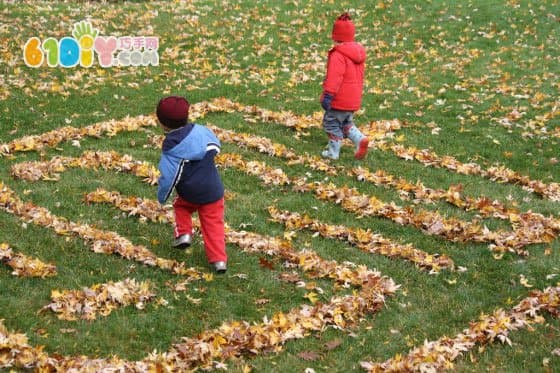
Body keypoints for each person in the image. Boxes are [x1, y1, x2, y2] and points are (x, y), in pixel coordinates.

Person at [156, 96, 227, 273]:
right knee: (213, 225)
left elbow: (168, 175)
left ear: (162, 124)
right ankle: (219, 261)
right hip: (213, 191)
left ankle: (184, 234)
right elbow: (215, 145)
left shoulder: (171, 147)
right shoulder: (202, 131)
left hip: (189, 193)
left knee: (181, 207)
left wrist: (162, 196)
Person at [320, 12, 369, 160]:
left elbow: (334, 78)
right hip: (352, 100)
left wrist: (328, 95)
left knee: (330, 124)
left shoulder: (338, 55)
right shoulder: (357, 53)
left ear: (336, 37)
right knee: (346, 122)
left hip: (339, 100)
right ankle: (360, 139)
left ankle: (333, 153)